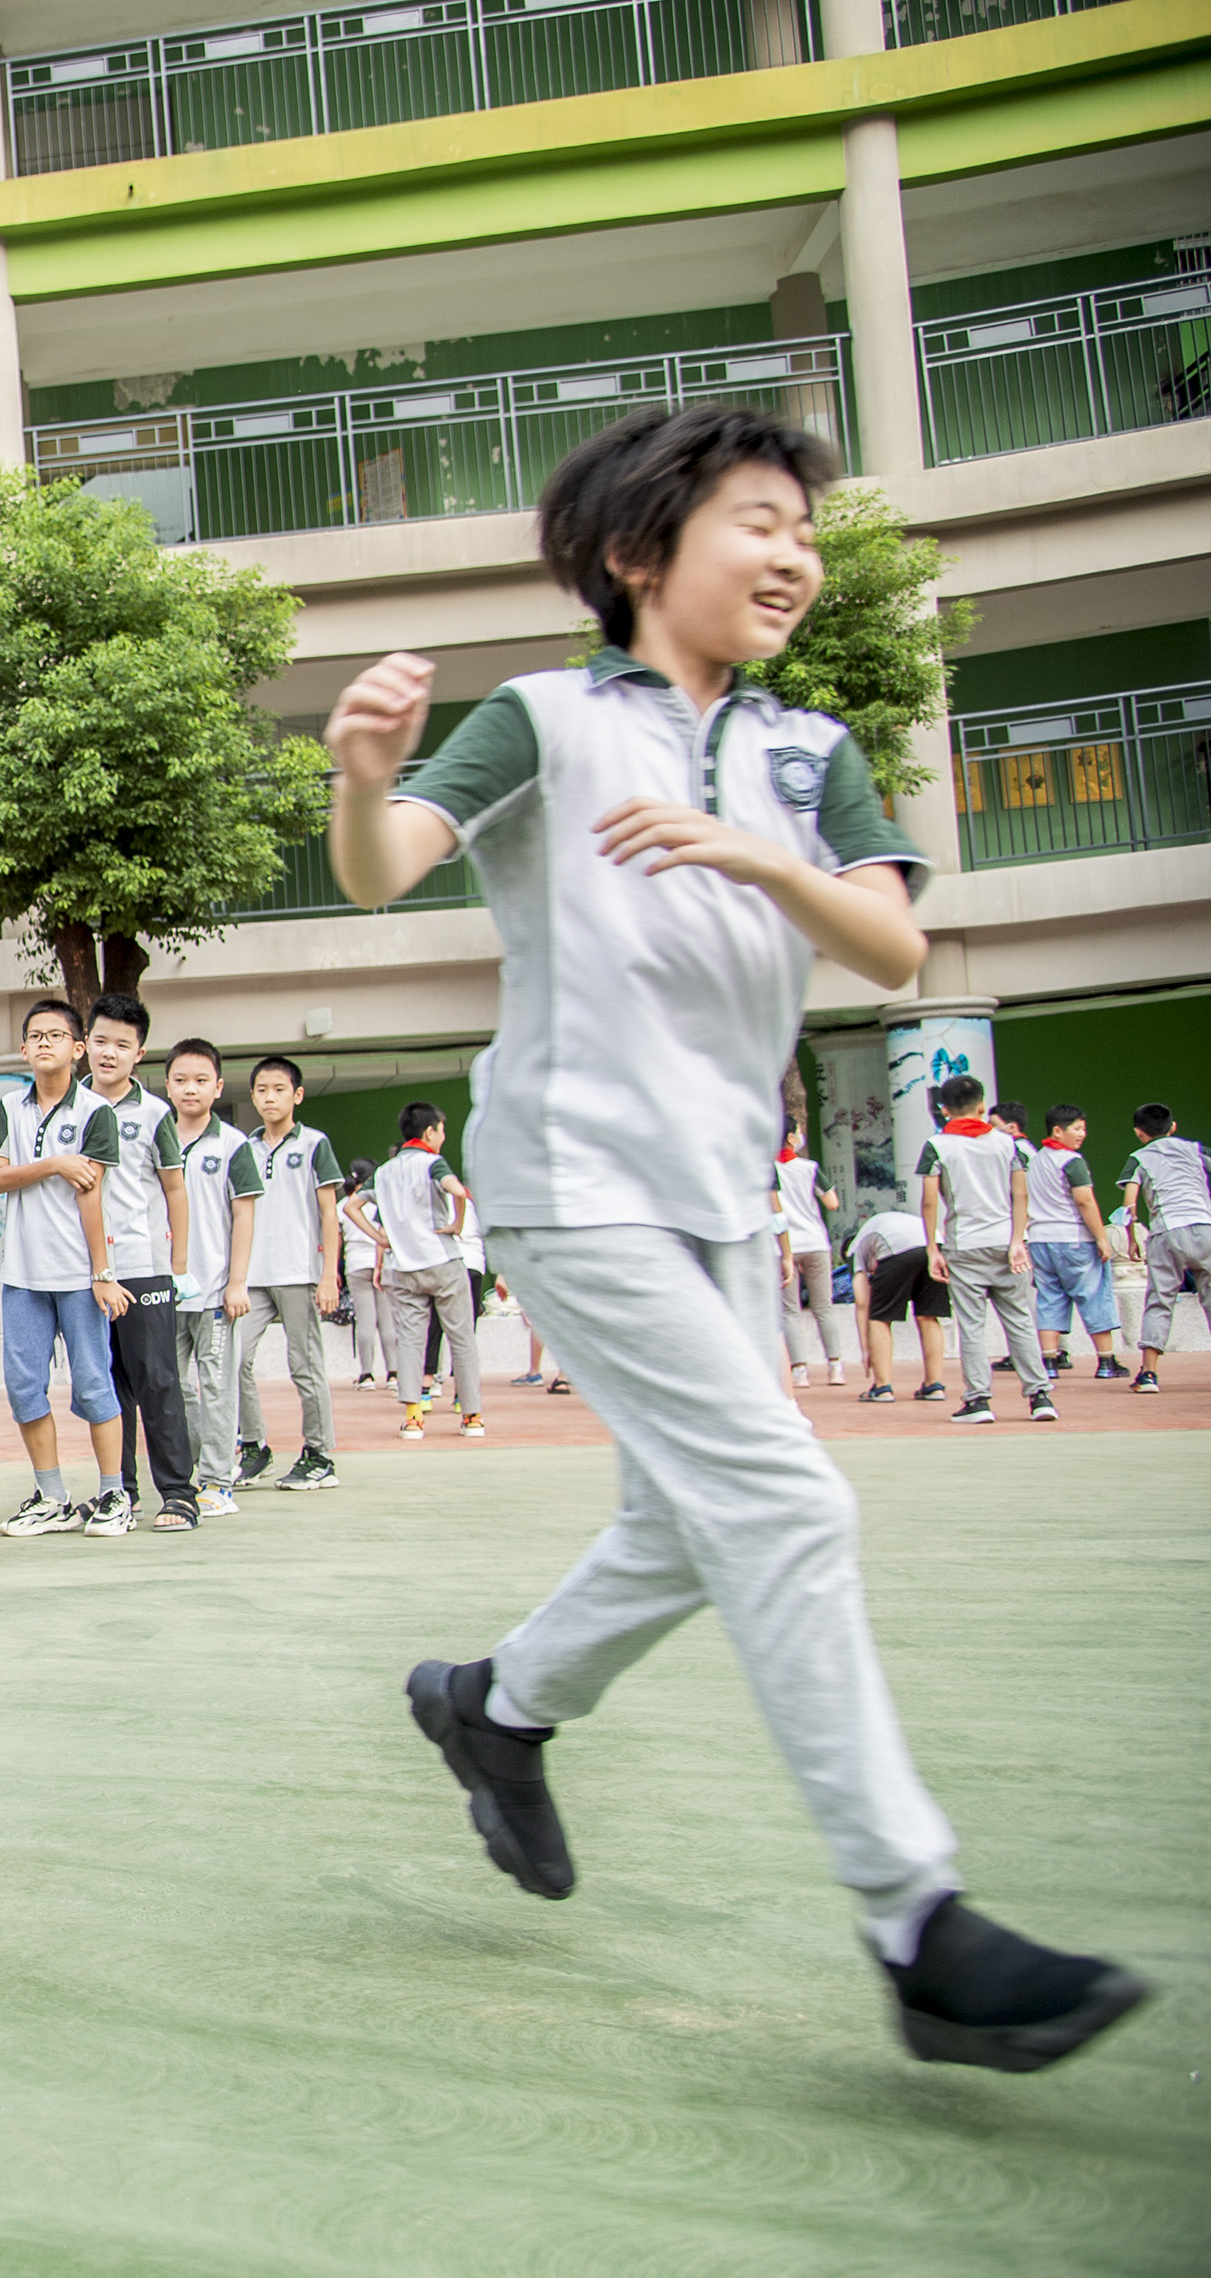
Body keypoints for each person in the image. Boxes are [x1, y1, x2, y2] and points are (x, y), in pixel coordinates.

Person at [325, 399, 1137, 2071]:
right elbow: (382, 868)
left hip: (722, 1192)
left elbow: (897, 949)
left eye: (802, 529)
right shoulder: (548, 718)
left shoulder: (804, 751)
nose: (792, 553)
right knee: (779, 1492)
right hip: (571, 1175)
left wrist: (748, 855)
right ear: (637, 554)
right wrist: (361, 776)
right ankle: (918, 1922)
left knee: (694, 1524)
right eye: (756, 520)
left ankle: (498, 1704)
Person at [0, 997, 131, 1539]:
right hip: (21, 1275)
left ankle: (114, 1494)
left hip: (76, 1276)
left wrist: (102, 1273)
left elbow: (90, 1197)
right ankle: (51, 1497)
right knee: (23, 1386)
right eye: (35, 1036)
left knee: (93, 1385)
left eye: (56, 1035)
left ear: (78, 1048)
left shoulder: (97, 1112)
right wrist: (52, 1164)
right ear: (24, 1050)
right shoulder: (11, 1111)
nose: (44, 1043)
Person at [80, 993, 197, 1530]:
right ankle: (119, 1492)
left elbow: (176, 1189)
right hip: (81, 1271)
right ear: (87, 1044)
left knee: (156, 1380)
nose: (108, 1053)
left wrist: (178, 1267)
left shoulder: (154, 1115)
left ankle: (178, 1492)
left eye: (121, 1045)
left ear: (139, 1053)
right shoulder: (70, 1107)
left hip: (143, 1268)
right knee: (106, 1384)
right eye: (101, 1041)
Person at [161, 1041, 262, 1521]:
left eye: (201, 1080)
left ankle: (220, 1481)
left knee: (218, 1386)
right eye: (181, 1080)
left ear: (218, 1087)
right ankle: (194, 1469)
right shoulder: (156, 1139)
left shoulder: (233, 1145)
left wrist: (236, 1282)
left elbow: (244, 1216)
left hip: (217, 1290)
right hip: (165, 1291)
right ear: (167, 1085)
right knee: (175, 1388)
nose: (190, 1089)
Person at [233, 1055, 343, 1491]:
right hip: (251, 1275)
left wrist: (330, 1274)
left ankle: (319, 1455)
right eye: (261, 1089)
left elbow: (329, 1213)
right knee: (234, 1360)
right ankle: (255, 1447)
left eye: (279, 1089)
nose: (269, 1097)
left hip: (299, 1271)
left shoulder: (314, 1143)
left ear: (296, 1095)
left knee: (305, 1365)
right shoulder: (245, 1147)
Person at [915, 1072, 1049, 1425]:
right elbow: (1021, 1193)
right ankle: (1039, 1397)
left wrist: (933, 1248)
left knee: (971, 1325)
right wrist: (1018, 1239)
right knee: (1020, 1319)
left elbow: (929, 1202)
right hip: (1006, 1243)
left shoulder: (937, 1145)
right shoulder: (1009, 1144)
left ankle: (978, 1400)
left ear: (944, 1110)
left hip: (964, 1245)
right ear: (982, 1106)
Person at [347, 1104, 483, 1441]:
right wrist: (456, 1222)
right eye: (441, 1130)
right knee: (461, 1338)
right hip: (442, 1261)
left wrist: (379, 1236)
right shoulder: (433, 1163)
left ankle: (412, 1418)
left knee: (410, 1340)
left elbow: (352, 1206)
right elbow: (456, 1190)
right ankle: (472, 1416)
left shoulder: (386, 1171)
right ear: (430, 1132)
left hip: (403, 1266)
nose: (443, 1136)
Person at [1023, 1105, 1121, 1382]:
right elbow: (1084, 1200)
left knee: (1049, 1298)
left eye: (1083, 1128)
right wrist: (1101, 1238)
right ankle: (1106, 1361)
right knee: (1094, 1295)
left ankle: (1050, 1361)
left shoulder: (1035, 1160)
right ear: (1057, 1130)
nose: (1082, 1134)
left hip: (1040, 1241)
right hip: (1074, 1239)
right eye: (1076, 1128)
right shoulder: (1072, 1160)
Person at [1122, 1103, 1207, 1392]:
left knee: (1160, 1301)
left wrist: (1132, 1237)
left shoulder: (1138, 1157)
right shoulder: (1195, 1149)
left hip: (1167, 1232)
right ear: (1173, 1127)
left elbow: (1129, 1204)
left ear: (1138, 1133)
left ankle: (1148, 1375)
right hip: (1204, 1228)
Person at [772, 1116, 851, 1389]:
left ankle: (799, 1371)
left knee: (790, 1311)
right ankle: (835, 1367)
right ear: (792, 1138)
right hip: (816, 1242)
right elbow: (832, 1202)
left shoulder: (766, 1171)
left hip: (783, 1246)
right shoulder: (810, 1168)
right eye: (798, 1131)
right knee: (823, 1307)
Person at [845, 1203, 946, 1404]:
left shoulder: (855, 1250)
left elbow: (863, 1303)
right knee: (928, 1315)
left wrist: (866, 1350)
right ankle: (933, 1386)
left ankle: (882, 1387)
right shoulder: (885, 1224)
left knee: (879, 1318)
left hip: (897, 1248)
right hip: (935, 1245)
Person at [338, 1158, 388, 1388]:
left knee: (365, 1320)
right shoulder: (382, 1202)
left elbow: (337, 1242)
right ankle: (394, 1373)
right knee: (387, 1321)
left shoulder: (343, 1206)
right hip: (383, 1262)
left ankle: (366, 1374)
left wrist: (331, 1271)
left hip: (356, 1265)